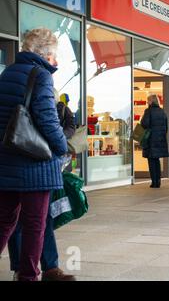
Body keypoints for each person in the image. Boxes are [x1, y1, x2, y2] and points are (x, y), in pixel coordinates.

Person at [0, 28, 68, 281]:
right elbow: (47, 119)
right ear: (46, 53)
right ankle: (28, 276)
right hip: (34, 165)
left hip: (6, 161)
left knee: (5, 220)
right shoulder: (40, 75)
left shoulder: (7, 73)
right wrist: (63, 147)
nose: (57, 61)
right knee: (34, 224)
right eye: (54, 55)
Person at [7, 93, 76, 281]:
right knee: (35, 220)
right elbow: (49, 125)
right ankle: (34, 270)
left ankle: (36, 268)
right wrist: (61, 145)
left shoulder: (10, 83)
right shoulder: (39, 81)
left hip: (19, 164)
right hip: (37, 163)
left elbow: (68, 125)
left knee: (26, 221)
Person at [141, 95, 169, 188]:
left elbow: (144, 124)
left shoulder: (148, 111)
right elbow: (166, 127)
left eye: (147, 100)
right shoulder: (162, 111)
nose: (147, 102)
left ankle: (154, 182)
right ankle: (158, 181)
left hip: (151, 139)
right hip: (160, 139)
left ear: (151, 101)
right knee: (157, 161)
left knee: (151, 161)